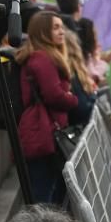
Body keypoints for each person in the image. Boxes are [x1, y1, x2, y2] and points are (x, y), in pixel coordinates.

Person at [16, 11, 78, 204]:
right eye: (56, 27)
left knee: (47, 190)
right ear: (43, 32)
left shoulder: (41, 56)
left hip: (44, 131)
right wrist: (72, 99)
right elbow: (54, 95)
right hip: (43, 133)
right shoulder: (42, 58)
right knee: (44, 193)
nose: (61, 32)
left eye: (62, 27)